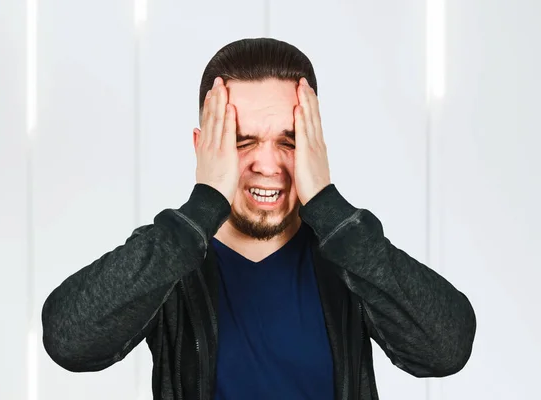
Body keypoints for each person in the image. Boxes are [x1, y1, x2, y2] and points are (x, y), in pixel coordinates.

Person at [42, 38, 476, 400]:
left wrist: (328, 205)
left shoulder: (349, 255)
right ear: (203, 147)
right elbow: (69, 341)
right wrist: (202, 205)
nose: (267, 164)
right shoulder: (168, 255)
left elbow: (446, 349)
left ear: (315, 147)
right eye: (242, 141)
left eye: (288, 141)